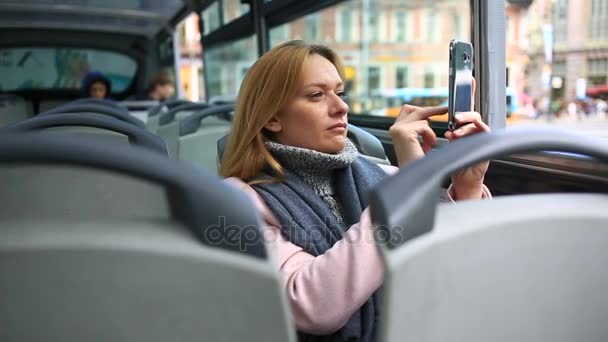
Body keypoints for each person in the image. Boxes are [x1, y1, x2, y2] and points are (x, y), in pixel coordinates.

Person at [221, 40, 491, 341]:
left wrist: (468, 188)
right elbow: (311, 305)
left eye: (339, 93)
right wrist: (409, 185)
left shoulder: (382, 176)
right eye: (316, 96)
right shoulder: (237, 200)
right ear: (272, 117)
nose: (341, 107)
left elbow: (452, 266)